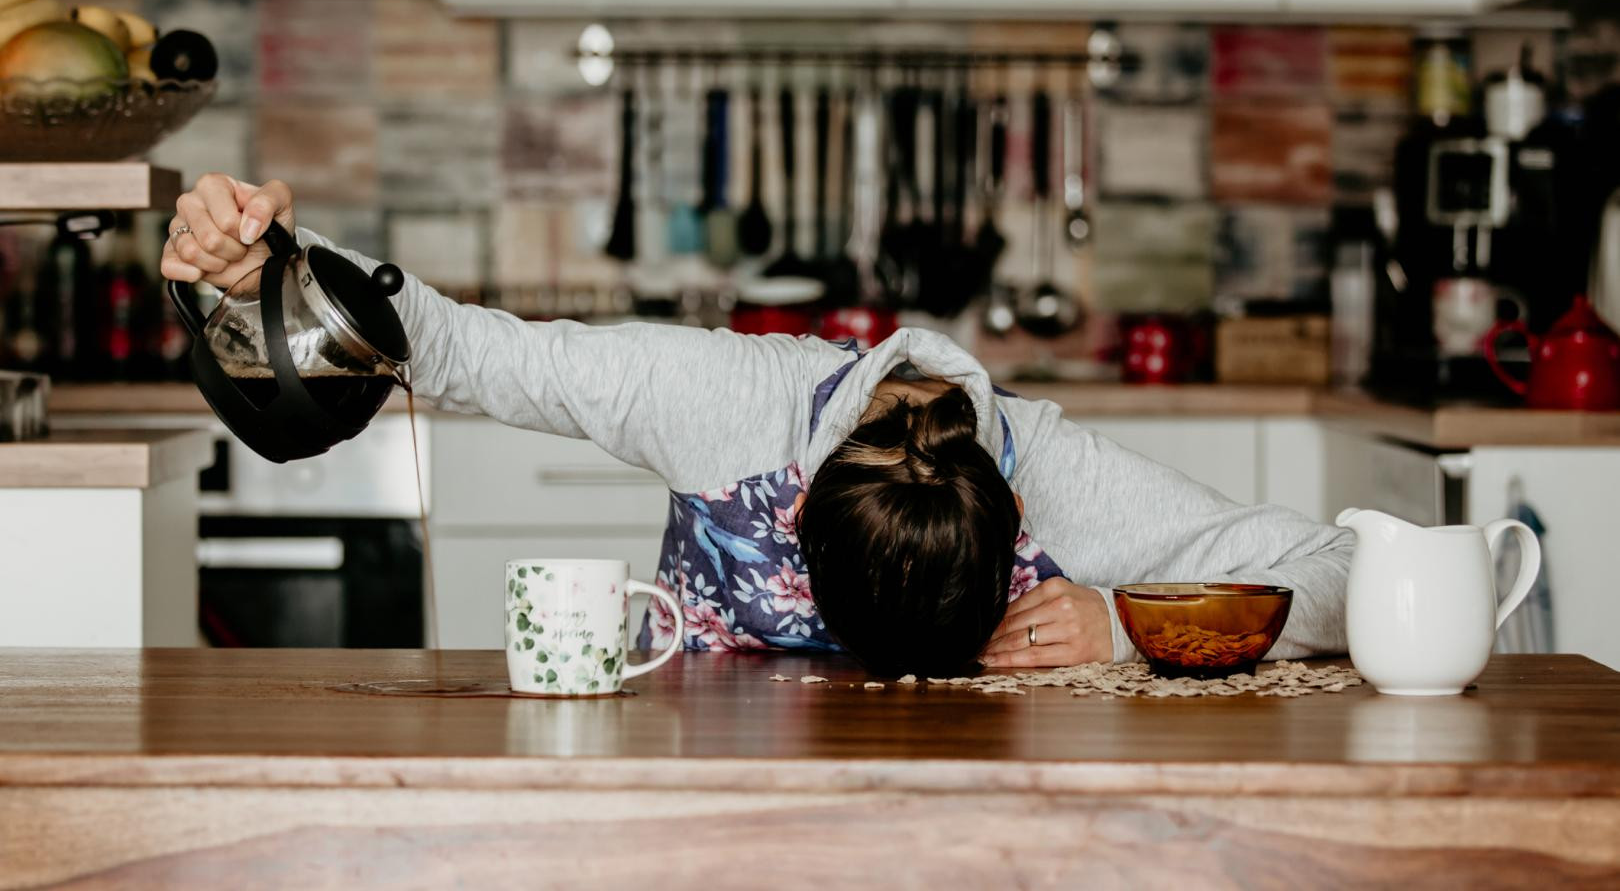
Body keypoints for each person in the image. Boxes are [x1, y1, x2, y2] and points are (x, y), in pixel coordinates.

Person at [162, 175, 1352, 678]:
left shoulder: (1067, 476)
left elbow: (1346, 571)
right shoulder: (723, 400)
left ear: (1022, 518)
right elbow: (463, 347)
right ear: (792, 501)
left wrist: (1127, 624)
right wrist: (263, 264)